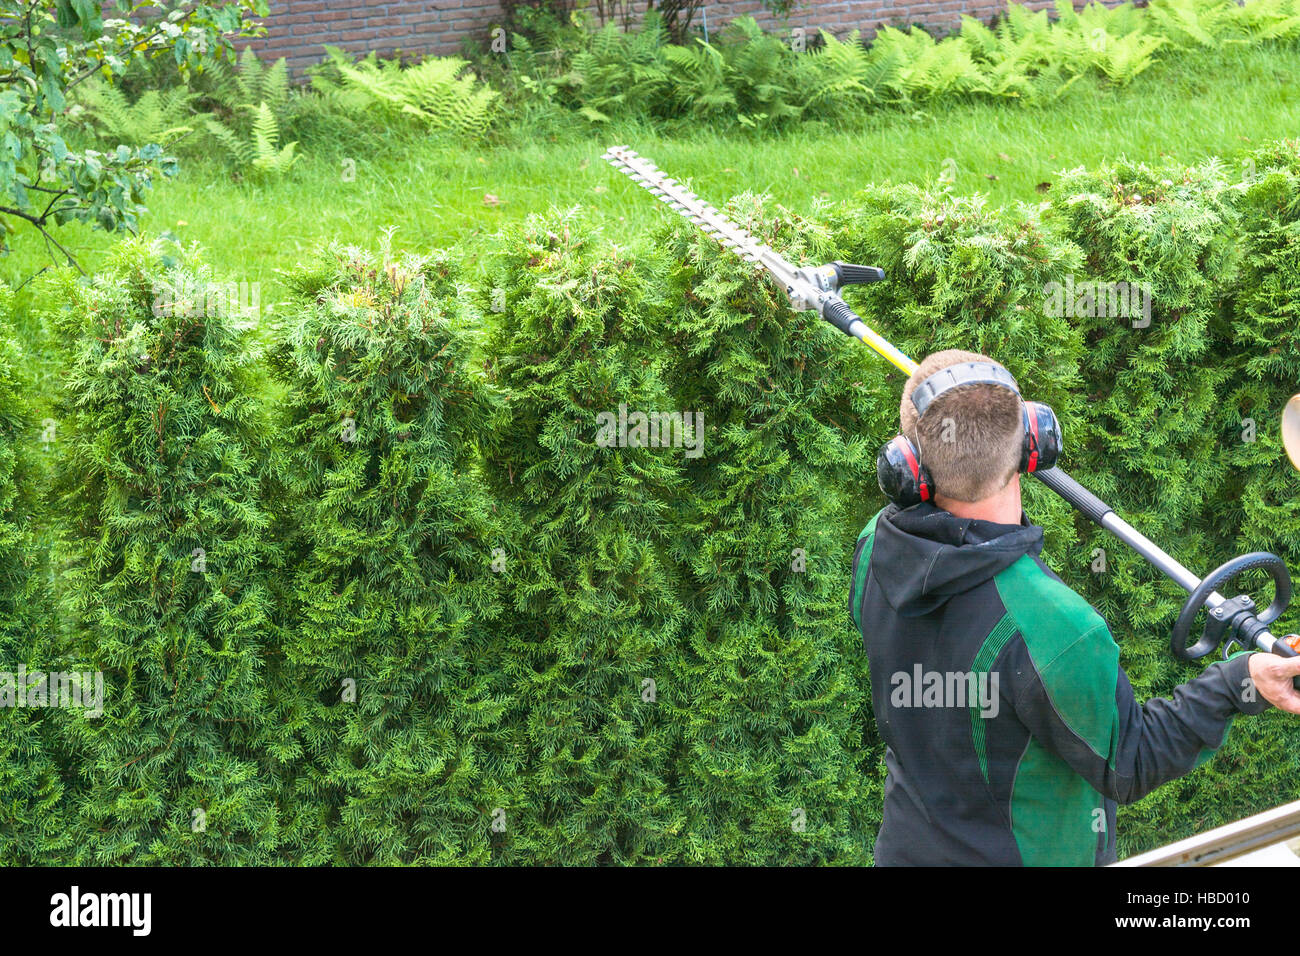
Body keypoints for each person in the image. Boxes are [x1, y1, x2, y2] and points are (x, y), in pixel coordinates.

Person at [849, 348, 1300, 866]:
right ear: (1035, 444)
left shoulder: (875, 547)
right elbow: (1129, 759)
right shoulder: (1056, 626)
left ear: (905, 467)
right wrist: (1239, 682)